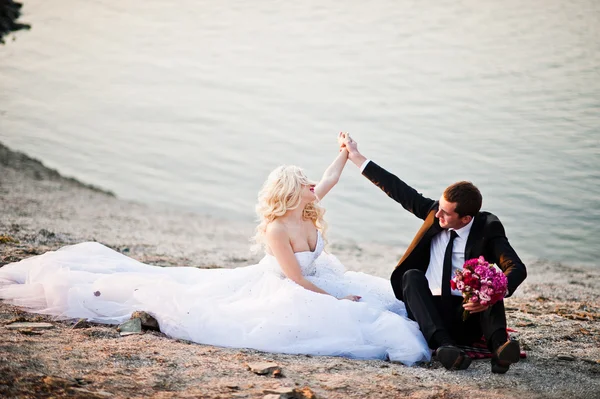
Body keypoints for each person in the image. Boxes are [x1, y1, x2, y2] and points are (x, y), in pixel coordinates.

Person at [0, 134, 431, 365]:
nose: (310, 185)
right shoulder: (278, 230)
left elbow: (330, 179)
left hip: (320, 280)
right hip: (292, 289)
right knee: (350, 314)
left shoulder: (308, 207)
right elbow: (297, 280)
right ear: (290, 190)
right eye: (303, 181)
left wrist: (347, 154)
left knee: (382, 301)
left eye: (307, 181)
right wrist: (338, 297)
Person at [340, 133, 527, 373]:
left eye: (446, 213)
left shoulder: (487, 227)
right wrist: (356, 156)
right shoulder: (434, 213)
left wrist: (489, 296)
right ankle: (446, 348)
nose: (438, 216)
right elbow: (398, 189)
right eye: (439, 208)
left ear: (466, 218)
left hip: (469, 314)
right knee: (411, 276)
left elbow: (516, 268)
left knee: (491, 282)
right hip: (431, 313)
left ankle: (501, 348)